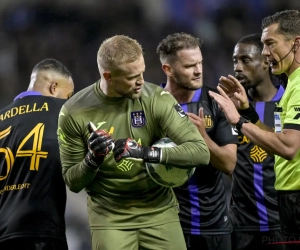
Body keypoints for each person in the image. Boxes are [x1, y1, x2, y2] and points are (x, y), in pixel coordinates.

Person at [57, 35, 210, 250]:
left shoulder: (157, 98)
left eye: (142, 72)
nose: (141, 81)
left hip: (159, 211)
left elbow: (200, 152)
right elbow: (73, 182)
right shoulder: (74, 112)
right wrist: (93, 159)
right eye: (132, 77)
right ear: (108, 76)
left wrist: (145, 152)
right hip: (109, 218)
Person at [209, 10, 300, 250]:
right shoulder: (291, 86)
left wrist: (239, 121)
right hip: (250, 219)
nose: (267, 53)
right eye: (234, 61)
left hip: (290, 206)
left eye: (271, 44)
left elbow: (287, 147)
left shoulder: (294, 90)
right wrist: (246, 114)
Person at [156, 32, 238, 250]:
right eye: (190, 66)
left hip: (214, 224)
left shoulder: (216, 102)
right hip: (166, 226)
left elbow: (230, 164)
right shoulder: (150, 105)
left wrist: (202, 139)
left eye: (200, 63)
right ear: (168, 69)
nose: (199, 70)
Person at [0, 58, 74, 250]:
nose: (69, 102)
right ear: (53, 87)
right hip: (40, 234)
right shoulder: (62, 113)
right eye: (68, 96)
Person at [229, 33, 285, 250]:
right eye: (235, 60)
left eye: (245, 60)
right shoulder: (228, 107)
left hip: (283, 221)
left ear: (265, 62)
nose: (237, 67)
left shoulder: (288, 102)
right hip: (242, 225)